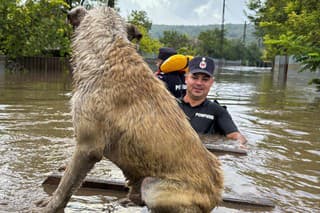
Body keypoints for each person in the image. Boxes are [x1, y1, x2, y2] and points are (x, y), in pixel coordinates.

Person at [178, 56, 247, 148]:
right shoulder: (171, 105)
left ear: (211, 82)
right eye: (194, 78)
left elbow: (235, 135)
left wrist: (240, 144)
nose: (199, 83)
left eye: (205, 79)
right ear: (186, 79)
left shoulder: (217, 111)